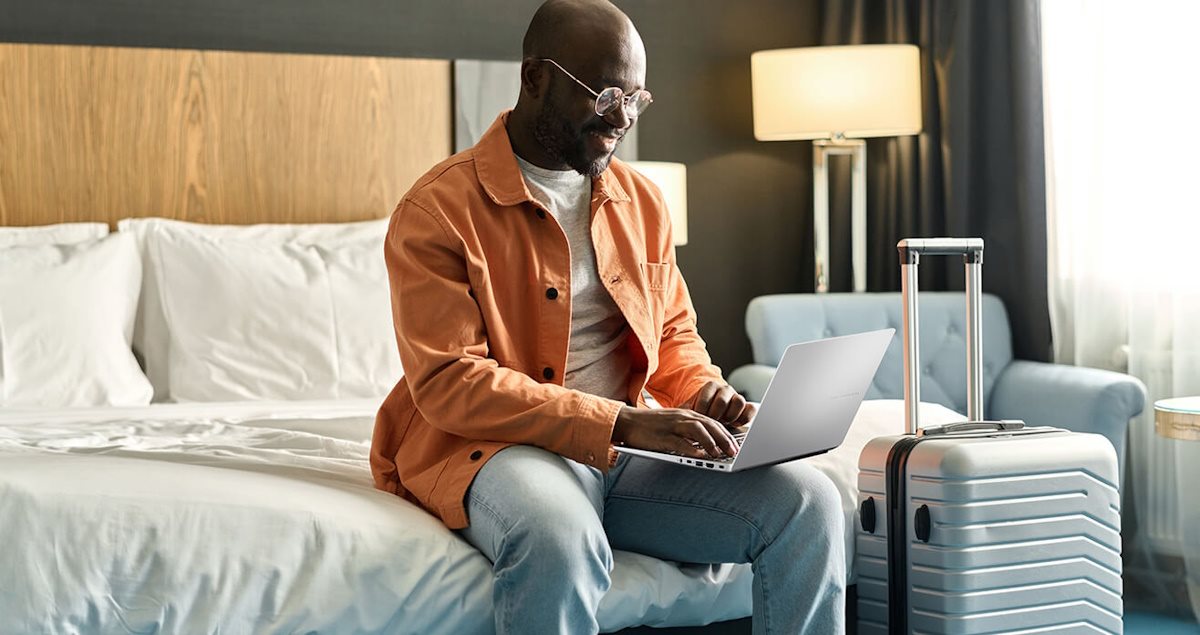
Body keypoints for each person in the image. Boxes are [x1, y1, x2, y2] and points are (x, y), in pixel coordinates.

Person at [370, 0, 844, 632]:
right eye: (605, 95)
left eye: (636, 99)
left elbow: (672, 332)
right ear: (535, 79)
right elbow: (452, 382)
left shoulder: (641, 200)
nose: (622, 117)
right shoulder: (438, 211)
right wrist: (621, 423)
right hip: (500, 448)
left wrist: (704, 393)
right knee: (558, 537)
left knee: (809, 503)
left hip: (626, 450)